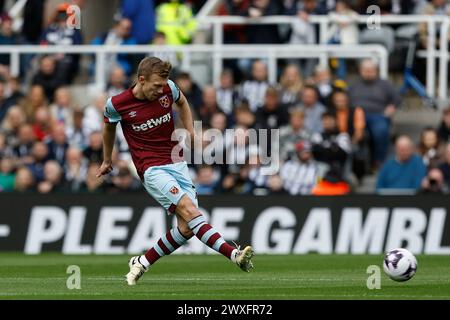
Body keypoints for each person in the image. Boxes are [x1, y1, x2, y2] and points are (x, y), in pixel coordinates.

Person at [97, 57, 254, 285]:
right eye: (156, 86)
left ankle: (141, 262)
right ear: (141, 80)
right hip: (151, 168)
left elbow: (182, 102)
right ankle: (234, 254)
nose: (161, 90)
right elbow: (108, 129)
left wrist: (190, 131)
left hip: (176, 161)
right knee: (190, 211)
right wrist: (106, 159)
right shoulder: (117, 104)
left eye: (163, 85)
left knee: (187, 228)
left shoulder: (168, 88)